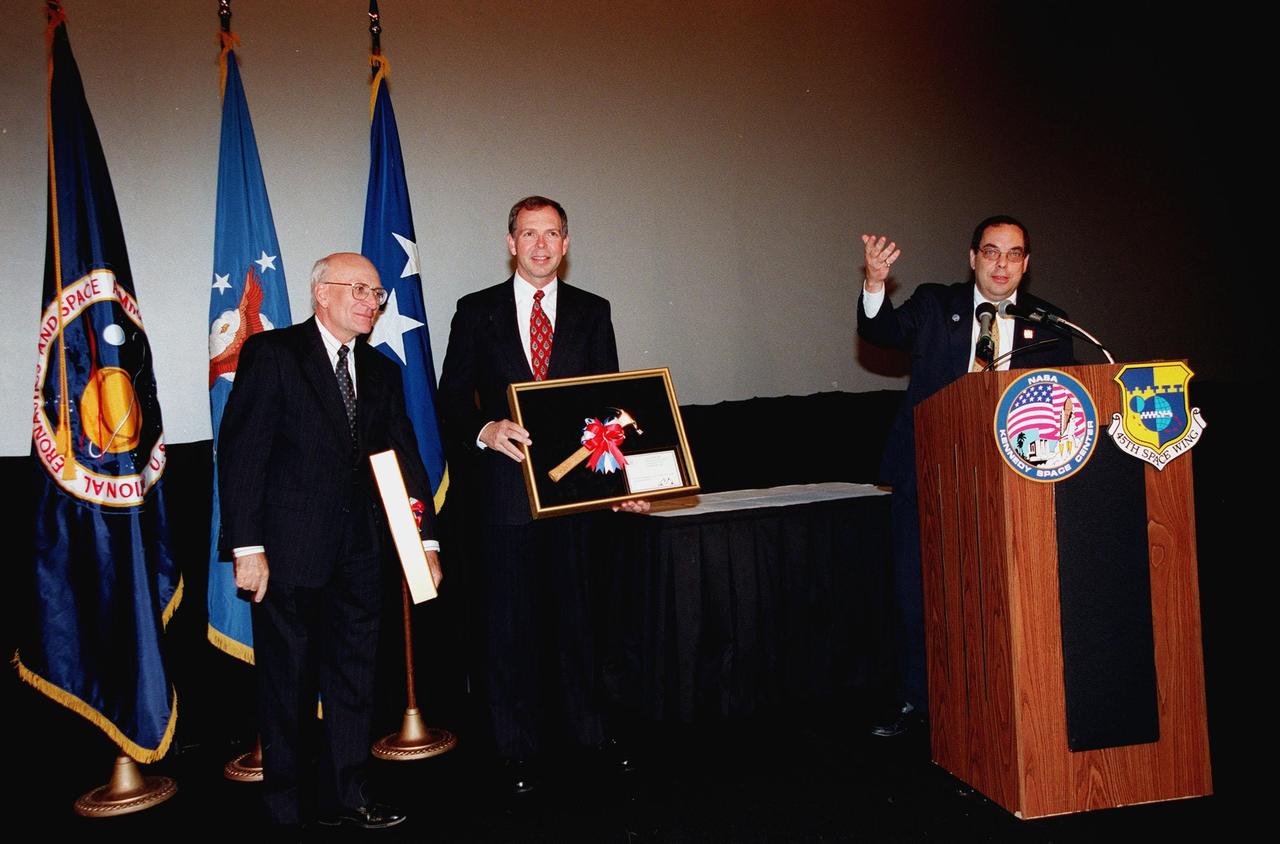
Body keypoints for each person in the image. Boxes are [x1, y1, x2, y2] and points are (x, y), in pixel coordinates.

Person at [218, 252, 442, 831]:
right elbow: (243, 454)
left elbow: (407, 463)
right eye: (360, 290)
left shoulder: (384, 371)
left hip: (364, 553)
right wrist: (247, 548)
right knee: (285, 685)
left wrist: (426, 544)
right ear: (322, 293)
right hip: (288, 553)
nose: (372, 301)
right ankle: (286, 807)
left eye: (377, 293)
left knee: (355, 680)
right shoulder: (273, 354)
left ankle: (352, 794)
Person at [437, 196, 644, 794]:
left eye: (552, 234)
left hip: (576, 498)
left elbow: (611, 404)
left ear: (567, 242)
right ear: (511, 243)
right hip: (504, 498)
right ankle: (516, 751)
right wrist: (486, 428)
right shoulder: (475, 312)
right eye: (530, 233)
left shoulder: (592, 311)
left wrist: (622, 485)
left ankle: (589, 737)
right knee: (509, 628)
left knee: (580, 622)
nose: (541, 245)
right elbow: (451, 399)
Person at [857, 215, 1073, 736]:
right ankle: (919, 705)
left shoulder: (1049, 324)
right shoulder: (935, 305)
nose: (1002, 264)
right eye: (992, 252)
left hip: (1013, 482)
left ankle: (1005, 703)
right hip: (927, 473)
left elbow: (1065, 406)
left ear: (1026, 264)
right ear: (972, 257)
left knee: (1001, 595)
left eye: (1014, 254)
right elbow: (882, 331)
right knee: (919, 594)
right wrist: (874, 282)